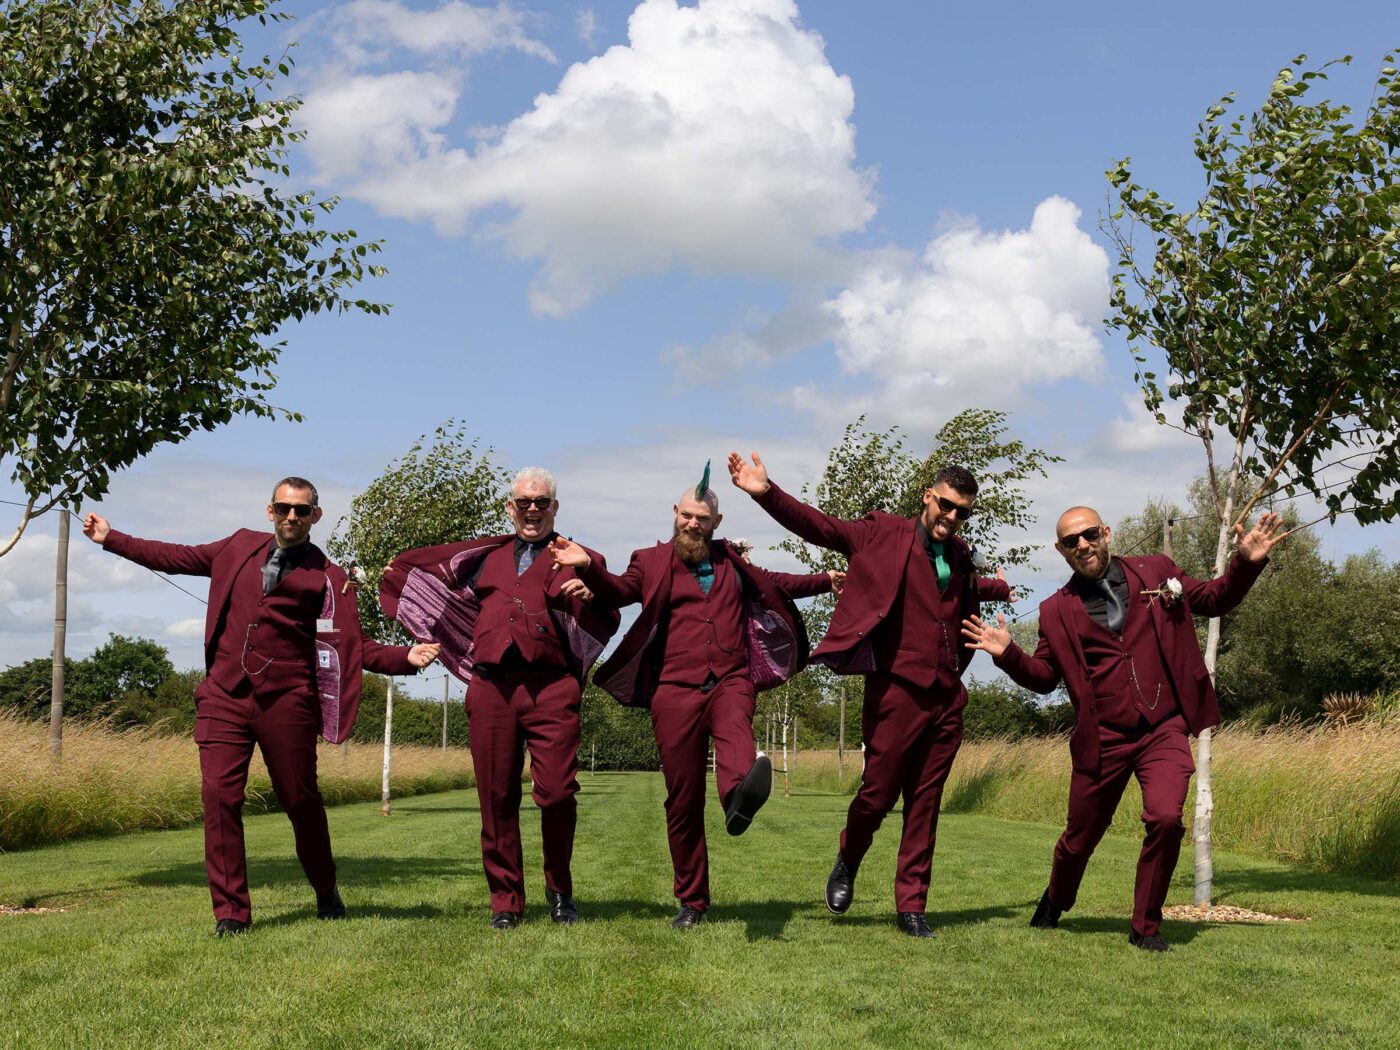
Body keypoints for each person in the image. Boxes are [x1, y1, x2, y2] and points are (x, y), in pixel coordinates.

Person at [83, 478, 439, 936]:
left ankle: (325, 886)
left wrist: (403, 658)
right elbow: (175, 556)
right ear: (269, 511)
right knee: (219, 798)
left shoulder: (332, 579)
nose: (292, 517)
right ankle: (231, 912)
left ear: (316, 516)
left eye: (302, 511)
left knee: (299, 800)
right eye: (284, 508)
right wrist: (112, 539)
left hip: (288, 703)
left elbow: (355, 647)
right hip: (224, 696)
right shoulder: (236, 547)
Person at [961, 505, 1285, 951]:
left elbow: (1214, 599)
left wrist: (1246, 562)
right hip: (1103, 739)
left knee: (1167, 819)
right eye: (1071, 541)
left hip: (1163, 727)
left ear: (1106, 533)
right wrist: (1007, 654)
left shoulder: (1158, 572)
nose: (1082, 545)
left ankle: (1145, 927)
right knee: (1079, 838)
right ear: (1060, 549)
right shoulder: (1056, 611)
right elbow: (1044, 678)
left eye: (1089, 534)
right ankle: (1056, 897)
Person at [727, 451, 1011, 937]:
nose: (951, 517)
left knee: (925, 802)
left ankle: (912, 906)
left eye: (963, 511)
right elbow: (822, 528)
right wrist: (766, 492)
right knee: (877, 795)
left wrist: (995, 589)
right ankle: (848, 858)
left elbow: (952, 597)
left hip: (946, 699)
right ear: (928, 496)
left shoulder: (961, 557)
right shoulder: (882, 533)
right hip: (895, 693)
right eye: (946, 505)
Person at [550, 468, 841, 928]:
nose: (692, 524)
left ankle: (737, 799)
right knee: (681, 800)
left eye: (701, 518)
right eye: (686, 515)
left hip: (730, 678)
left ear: (716, 521)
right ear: (674, 514)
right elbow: (620, 591)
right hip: (674, 691)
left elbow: (779, 582)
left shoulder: (733, 561)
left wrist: (825, 579)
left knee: (734, 729)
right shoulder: (649, 560)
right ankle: (692, 901)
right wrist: (588, 566)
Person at [379, 467, 619, 929]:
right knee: (496, 797)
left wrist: (591, 592)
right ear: (510, 507)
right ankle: (506, 902)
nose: (532, 510)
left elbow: (610, 608)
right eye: (524, 502)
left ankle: (560, 890)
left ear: (555, 507)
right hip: (490, 687)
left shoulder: (579, 557)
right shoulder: (482, 559)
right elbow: (438, 583)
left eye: (542, 502)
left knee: (556, 794)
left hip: (551, 687)